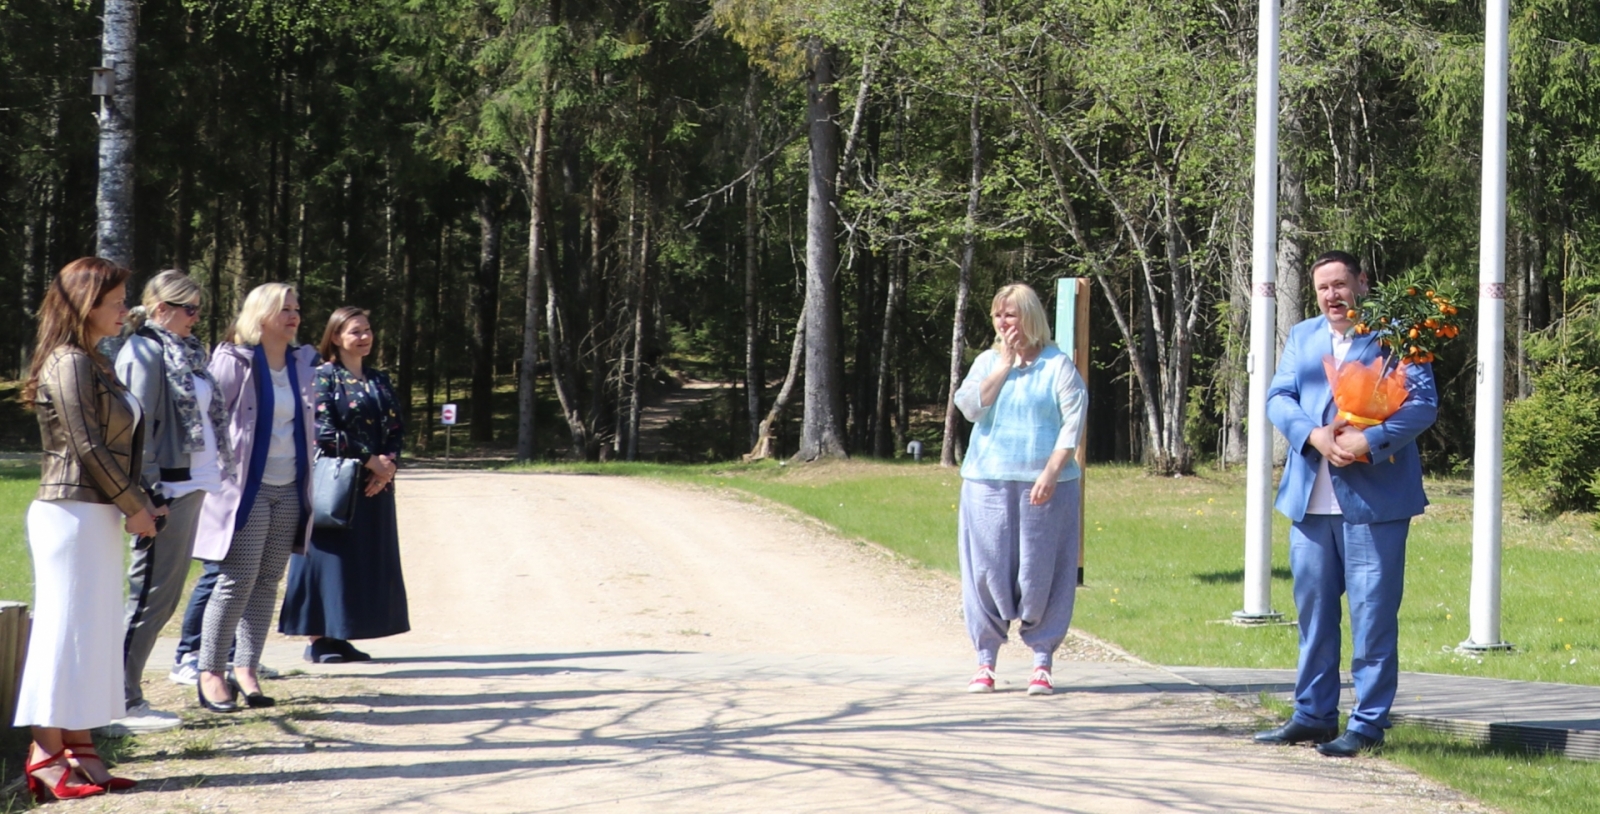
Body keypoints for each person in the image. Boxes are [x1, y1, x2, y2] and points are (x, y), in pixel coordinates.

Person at [1254, 251, 1437, 757]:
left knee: (1372, 614)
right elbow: (1278, 397)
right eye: (1323, 288)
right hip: (1310, 501)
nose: (1332, 295)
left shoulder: (1398, 334)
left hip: (1375, 501)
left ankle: (1368, 724)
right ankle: (1313, 715)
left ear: (1362, 282)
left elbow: (1423, 405)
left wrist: (1371, 441)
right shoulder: (1304, 336)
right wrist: (1312, 434)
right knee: (1312, 613)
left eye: (1340, 284)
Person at [16, 257, 163, 800]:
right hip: (71, 514)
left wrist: (137, 501)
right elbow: (85, 445)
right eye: (117, 299)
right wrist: (133, 505)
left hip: (97, 513)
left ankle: (78, 746)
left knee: (90, 633)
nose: (126, 308)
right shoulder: (68, 362)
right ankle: (44, 751)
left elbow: (117, 447)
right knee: (63, 632)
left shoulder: (96, 361)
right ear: (87, 303)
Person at [101, 270, 226, 736]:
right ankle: (119, 700)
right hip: (165, 491)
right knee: (150, 595)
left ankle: (124, 693)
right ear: (161, 310)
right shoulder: (146, 352)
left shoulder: (187, 352)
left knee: (164, 596)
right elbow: (137, 428)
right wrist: (147, 492)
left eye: (199, 308)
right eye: (189, 308)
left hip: (192, 483)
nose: (197, 318)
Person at [952, 283, 1087, 696]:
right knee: (986, 572)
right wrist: (1005, 366)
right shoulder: (988, 361)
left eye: (1010, 314)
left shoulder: (1057, 364)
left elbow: (1073, 421)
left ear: (1029, 317)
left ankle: (1042, 661)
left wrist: (1051, 471)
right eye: (997, 315)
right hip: (987, 483)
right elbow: (971, 408)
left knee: (1041, 574)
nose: (1002, 322)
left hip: (1047, 488)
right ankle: (985, 662)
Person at [191, 282, 318, 713]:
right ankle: (210, 671)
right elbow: (207, 420)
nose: (293, 315)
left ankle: (247, 668)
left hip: (290, 489)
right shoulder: (233, 361)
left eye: (296, 308)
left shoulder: (303, 363)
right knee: (236, 580)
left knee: (267, 583)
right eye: (284, 308)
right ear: (260, 315)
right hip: (247, 491)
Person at [280, 306, 410, 662]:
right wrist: (369, 460)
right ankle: (317, 639)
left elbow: (396, 427)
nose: (364, 336)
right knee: (328, 559)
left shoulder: (378, 379)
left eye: (368, 330)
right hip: (334, 483)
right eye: (356, 331)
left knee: (359, 560)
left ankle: (342, 634)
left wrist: (388, 466)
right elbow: (321, 430)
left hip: (374, 484)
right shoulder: (324, 377)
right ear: (336, 337)